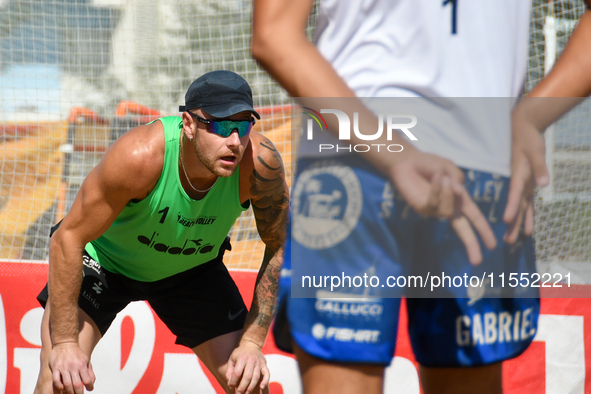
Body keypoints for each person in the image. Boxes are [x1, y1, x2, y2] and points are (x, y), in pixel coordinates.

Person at [252, 1, 591, 393]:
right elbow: (273, 38)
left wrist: (393, 151)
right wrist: (530, 116)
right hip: (471, 160)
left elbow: (273, 34)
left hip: (354, 157)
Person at [34, 70, 289, 394]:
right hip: (106, 265)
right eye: (223, 126)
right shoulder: (140, 156)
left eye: (243, 126)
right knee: (58, 380)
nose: (235, 142)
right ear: (189, 124)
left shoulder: (259, 163)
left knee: (250, 384)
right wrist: (66, 342)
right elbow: (66, 237)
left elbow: (281, 244)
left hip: (192, 271)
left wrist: (252, 343)